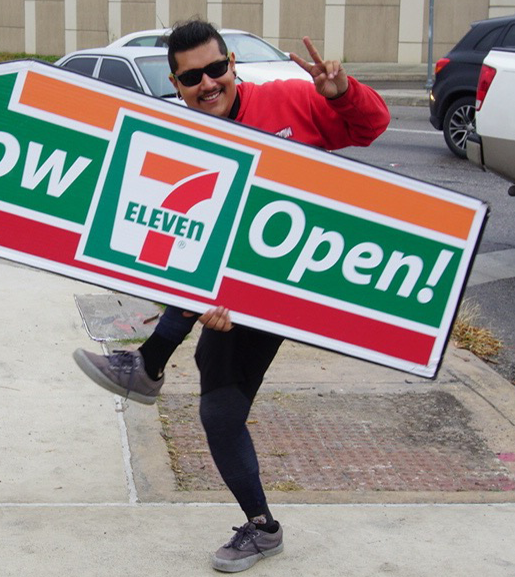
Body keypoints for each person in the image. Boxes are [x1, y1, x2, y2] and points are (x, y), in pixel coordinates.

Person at [74, 18, 389, 572]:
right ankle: (262, 528)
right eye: (192, 77)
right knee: (219, 412)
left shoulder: (292, 101)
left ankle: (148, 364)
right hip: (223, 292)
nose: (208, 84)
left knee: (215, 382)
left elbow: (370, 127)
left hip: (290, 278)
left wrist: (342, 93)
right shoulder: (182, 136)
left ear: (233, 66)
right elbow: (174, 237)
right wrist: (203, 301)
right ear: (176, 84)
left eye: (216, 69)